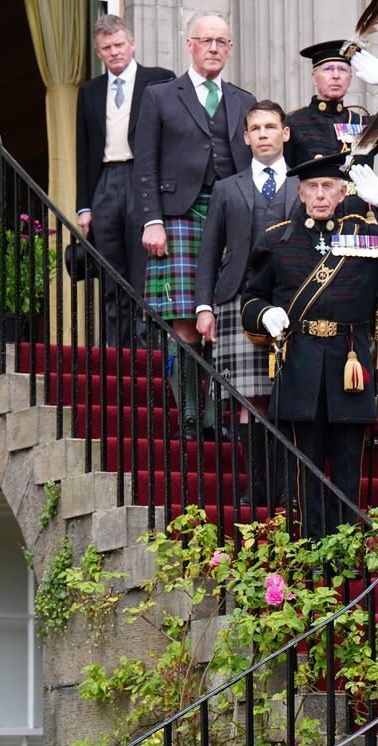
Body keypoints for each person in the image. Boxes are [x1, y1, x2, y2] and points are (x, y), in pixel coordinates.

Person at [240, 154, 378, 537]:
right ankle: (307, 547)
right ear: (301, 193)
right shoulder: (277, 239)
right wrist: (264, 315)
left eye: (329, 187)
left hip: (349, 366)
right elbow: (250, 299)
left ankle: (346, 549)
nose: (321, 196)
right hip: (300, 366)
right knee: (302, 467)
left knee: (347, 466)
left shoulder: (369, 237)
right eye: (313, 188)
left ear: (344, 193)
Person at [133, 13, 255, 439]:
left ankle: (211, 416)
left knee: (219, 319)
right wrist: (153, 220)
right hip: (179, 214)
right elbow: (144, 162)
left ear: (230, 48)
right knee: (185, 321)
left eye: (222, 42)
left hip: (230, 217)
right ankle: (190, 415)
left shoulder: (243, 100)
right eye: (206, 41)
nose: (214, 48)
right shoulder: (160, 96)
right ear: (190, 45)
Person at [194, 101, 299, 502]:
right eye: (255, 128)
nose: (263, 135)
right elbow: (209, 252)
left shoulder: (304, 185)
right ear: (246, 137)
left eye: (271, 127)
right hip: (237, 301)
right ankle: (255, 488)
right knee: (248, 399)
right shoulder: (227, 188)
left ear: (285, 133)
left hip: (292, 302)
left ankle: (287, 490)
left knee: (289, 397)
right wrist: (203, 306)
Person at [74, 14, 174, 345]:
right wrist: (83, 205)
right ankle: (116, 351)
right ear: (99, 52)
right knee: (110, 268)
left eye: (119, 44)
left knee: (144, 267)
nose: (114, 52)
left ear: (132, 43)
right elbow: (83, 148)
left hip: (142, 177)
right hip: (105, 180)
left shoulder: (159, 80)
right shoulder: (89, 91)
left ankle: (147, 349)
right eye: (107, 48)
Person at [285, 40, 378, 165]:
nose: (336, 76)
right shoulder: (292, 123)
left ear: (350, 78)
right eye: (328, 69)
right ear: (314, 78)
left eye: (342, 70)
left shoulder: (367, 126)